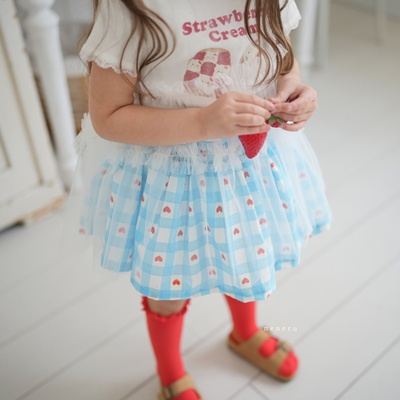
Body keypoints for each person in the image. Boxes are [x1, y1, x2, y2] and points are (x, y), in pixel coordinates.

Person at [66, 0, 332, 398]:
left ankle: (245, 333)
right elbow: (108, 116)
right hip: (172, 176)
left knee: (243, 255)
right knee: (169, 288)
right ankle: (170, 371)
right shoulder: (130, 9)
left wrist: (293, 88)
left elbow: (282, 59)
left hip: (249, 166)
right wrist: (203, 121)